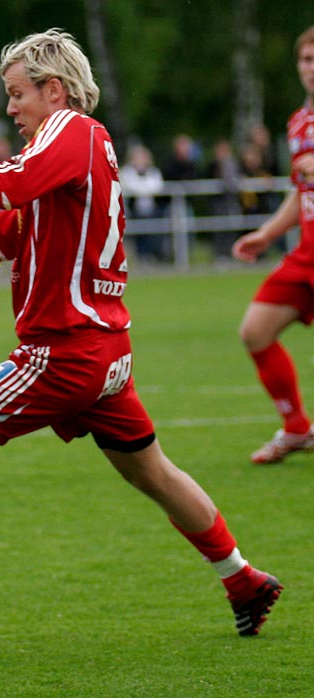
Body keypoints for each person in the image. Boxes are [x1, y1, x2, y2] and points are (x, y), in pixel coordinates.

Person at [0, 28, 282, 657]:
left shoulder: (71, 133)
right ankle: (243, 579)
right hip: (104, 352)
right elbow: (5, 231)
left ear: (54, 90)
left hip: (64, 352)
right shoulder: (69, 156)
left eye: (18, 94)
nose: (12, 108)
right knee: (153, 471)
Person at [231, 26, 314, 464]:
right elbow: (303, 191)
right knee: (255, 331)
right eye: (306, 60)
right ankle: (297, 427)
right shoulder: (299, 123)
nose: (311, 69)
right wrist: (268, 232)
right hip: (306, 255)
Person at [119, 143, 167, 263]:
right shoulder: (127, 172)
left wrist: (142, 187)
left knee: (156, 227)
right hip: (133, 211)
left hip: (152, 209)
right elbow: (131, 185)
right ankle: (142, 255)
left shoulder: (153, 171)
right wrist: (145, 187)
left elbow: (157, 186)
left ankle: (155, 254)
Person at [205, 139, 242, 262]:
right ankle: (220, 254)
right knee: (219, 227)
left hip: (232, 201)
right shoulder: (213, 165)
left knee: (232, 227)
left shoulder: (234, 164)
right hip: (219, 201)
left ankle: (232, 252)